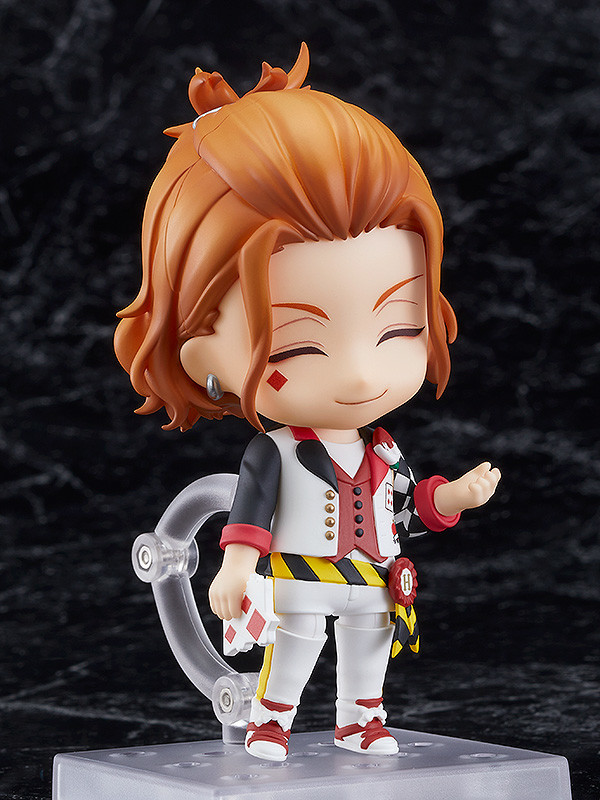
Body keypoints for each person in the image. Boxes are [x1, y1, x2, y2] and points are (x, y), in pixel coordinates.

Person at [114, 43, 501, 762]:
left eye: (398, 329)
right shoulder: (276, 450)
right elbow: (249, 514)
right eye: (297, 346)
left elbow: (406, 507)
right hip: (299, 581)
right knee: (293, 649)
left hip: (376, 583)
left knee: (369, 652)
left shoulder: (384, 449)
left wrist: (454, 498)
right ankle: (270, 720)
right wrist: (235, 569)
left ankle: (362, 721)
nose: (359, 373)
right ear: (202, 356)